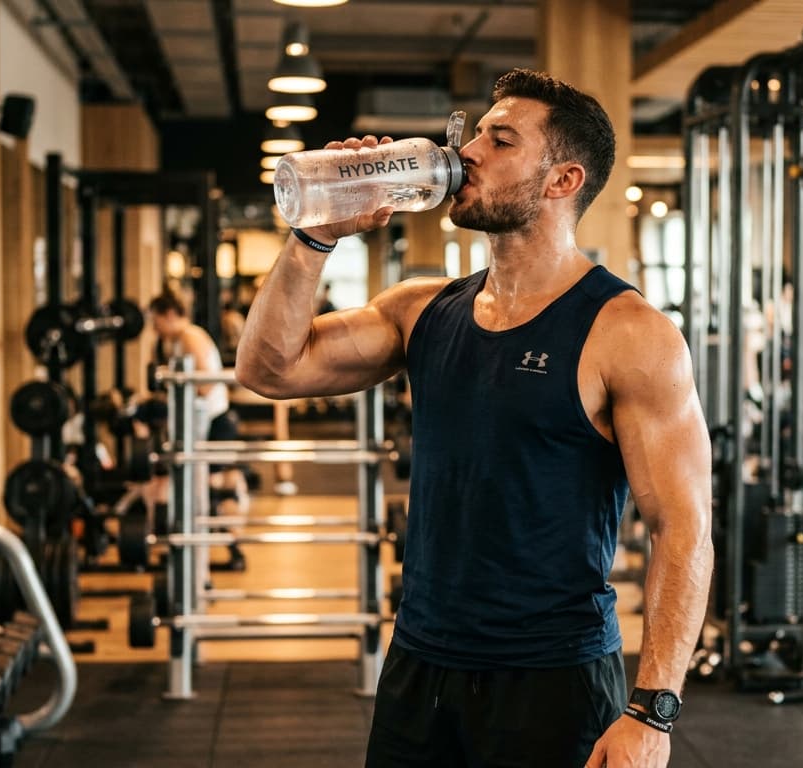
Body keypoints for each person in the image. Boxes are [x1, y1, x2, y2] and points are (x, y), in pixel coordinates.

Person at [236, 69, 712, 768]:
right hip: (420, 665)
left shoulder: (630, 334)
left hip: (552, 677)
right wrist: (314, 236)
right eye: (476, 133)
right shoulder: (421, 309)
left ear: (561, 181)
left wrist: (652, 711)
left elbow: (683, 526)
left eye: (501, 139)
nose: (470, 153)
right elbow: (269, 368)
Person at [148, 290, 248, 571]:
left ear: (169, 315)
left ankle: (232, 550)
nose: (154, 329)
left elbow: (205, 385)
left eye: (156, 321)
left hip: (215, 422)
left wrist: (173, 394)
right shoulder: (179, 340)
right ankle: (198, 554)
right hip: (207, 422)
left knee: (213, 493)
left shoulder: (191, 337)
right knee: (201, 493)